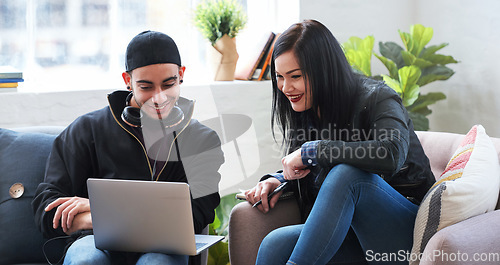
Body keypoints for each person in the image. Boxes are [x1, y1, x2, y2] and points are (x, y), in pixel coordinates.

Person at [244, 20, 435, 265]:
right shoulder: (307, 109)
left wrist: (312, 151)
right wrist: (279, 179)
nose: (285, 87)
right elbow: (316, 168)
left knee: (349, 175)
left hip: (406, 231)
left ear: (323, 70)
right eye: (279, 77)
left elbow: (391, 153)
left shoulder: (377, 97)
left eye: (295, 76)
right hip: (353, 232)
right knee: (274, 244)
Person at [32, 30, 224, 265]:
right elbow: (47, 211)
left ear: (181, 75)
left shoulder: (202, 140)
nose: (158, 97)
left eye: (168, 84)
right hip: (93, 241)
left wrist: (100, 211)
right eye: (146, 87)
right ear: (127, 81)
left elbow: (194, 216)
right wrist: (104, 221)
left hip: (163, 246)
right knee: (86, 260)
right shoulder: (86, 130)